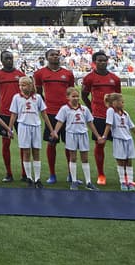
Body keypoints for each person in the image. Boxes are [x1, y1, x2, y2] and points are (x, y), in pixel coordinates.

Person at [32, 49, 75, 184]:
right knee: (51, 143)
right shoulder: (40, 73)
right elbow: (38, 93)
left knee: (70, 144)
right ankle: (52, 174)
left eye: (57, 55)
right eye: (52, 55)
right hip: (51, 113)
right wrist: (45, 106)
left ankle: (71, 174)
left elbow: (71, 92)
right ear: (46, 58)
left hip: (67, 113)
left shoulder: (67, 74)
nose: (55, 57)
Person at [81, 51, 122, 186]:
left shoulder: (115, 79)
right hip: (98, 116)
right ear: (94, 62)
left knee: (120, 145)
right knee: (100, 144)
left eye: (104, 60)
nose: (102, 62)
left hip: (114, 117)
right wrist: (92, 109)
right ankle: (101, 174)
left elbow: (118, 98)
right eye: (99, 60)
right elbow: (84, 95)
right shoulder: (89, 78)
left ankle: (123, 174)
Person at [53, 87, 98, 190]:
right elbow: (60, 121)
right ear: (67, 97)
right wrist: (55, 132)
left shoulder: (84, 109)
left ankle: (88, 182)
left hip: (83, 134)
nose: (76, 98)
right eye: (73, 96)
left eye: (77, 96)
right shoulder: (65, 109)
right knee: (73, 158)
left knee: (85, 158)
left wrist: (97, 135)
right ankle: (73, 181)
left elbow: (90, 123)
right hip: (71, 134)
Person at [0, 51, 23, 183]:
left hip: (21, 114)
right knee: (5, 143)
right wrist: (4, 105)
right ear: (1, 60)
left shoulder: (20, 75)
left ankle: (24, 172)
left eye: (10, 58)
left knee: (24, 144)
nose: (9, 60)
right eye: (6, 58)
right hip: (5, 114)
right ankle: (8, 173)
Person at [9, 77, 49, 188]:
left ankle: (37, 179)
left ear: (30, 86)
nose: (21, 87)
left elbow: (44, 114)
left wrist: (51, 129)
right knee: (26, 152)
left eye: (24, 85)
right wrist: (10, 128)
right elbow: (13, 114)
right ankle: (29, 178)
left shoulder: (38, 98)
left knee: (36, 152)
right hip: (23, 126)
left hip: (35, 126)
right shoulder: (16, 98)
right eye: (20, 85)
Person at [100, 92, 135, 191]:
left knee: (129, 161)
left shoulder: (125, 114)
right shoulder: (111, 111)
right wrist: (104, 137)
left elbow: (132, 127)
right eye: (121, 102)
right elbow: (108, 125)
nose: (123, 104)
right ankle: (123, 181)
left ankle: (130, 181)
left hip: (128, 140)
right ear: (114, 103)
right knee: (120, 161)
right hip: (118, 139)